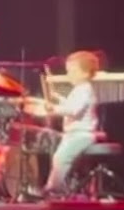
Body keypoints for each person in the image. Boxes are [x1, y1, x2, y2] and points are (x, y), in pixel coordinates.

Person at [42, 50, 101, 197]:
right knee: (59, 158)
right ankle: (55, 188)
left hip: (82, 134)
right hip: (74, 134)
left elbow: (73, 110)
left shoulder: (85, 90)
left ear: (86, 73)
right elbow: (72, 105)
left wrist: (53, 109)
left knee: (60, 158)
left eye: (72, 71)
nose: (68, 75)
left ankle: (53, 189)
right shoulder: (80, 89)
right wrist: (59, 99)